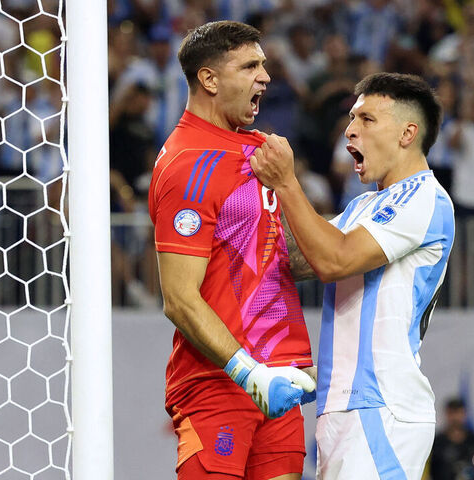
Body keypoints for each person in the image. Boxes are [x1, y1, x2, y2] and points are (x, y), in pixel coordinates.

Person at [251, 72, 455, 480]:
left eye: (366, 119)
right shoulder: (364, 207)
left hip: (382, 407)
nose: (350, 129)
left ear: (406, 133)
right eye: (351, 118)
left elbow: (334, 261)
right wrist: (250, 199)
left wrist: (287, 183)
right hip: (344, 407)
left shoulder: (424, 198)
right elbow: (296, 260)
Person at [148, 21, 316, 480]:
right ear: (210, 80)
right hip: (219, 381)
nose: (265, 76)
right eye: (250, 66)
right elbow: (179, 297)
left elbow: (296, 258)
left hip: (280, 379)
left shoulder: (264, 152)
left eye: (263, 65)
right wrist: (247, 373)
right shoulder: (188, 164)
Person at [429, 397, 474, 480]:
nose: (455, 418)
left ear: (464, 414)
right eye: (452, 413)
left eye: (458, 413)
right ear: (446, 414)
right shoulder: (437, 444)